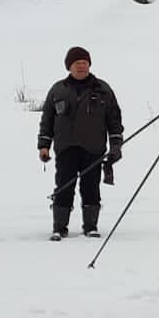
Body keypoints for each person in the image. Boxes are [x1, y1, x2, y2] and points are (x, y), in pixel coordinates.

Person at [38, 46, 123, 240]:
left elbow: (114, 119)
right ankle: (59, 227)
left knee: (91, 187)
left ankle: (90, 227)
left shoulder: (103, 89)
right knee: (64, 186)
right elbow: (47, 120)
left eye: (85, 63)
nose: (82, 67)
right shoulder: (57, 90)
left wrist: (116, 144)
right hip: (66, 148)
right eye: (78, 63)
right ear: (69, 66)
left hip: (93, 148)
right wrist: (44, 145)